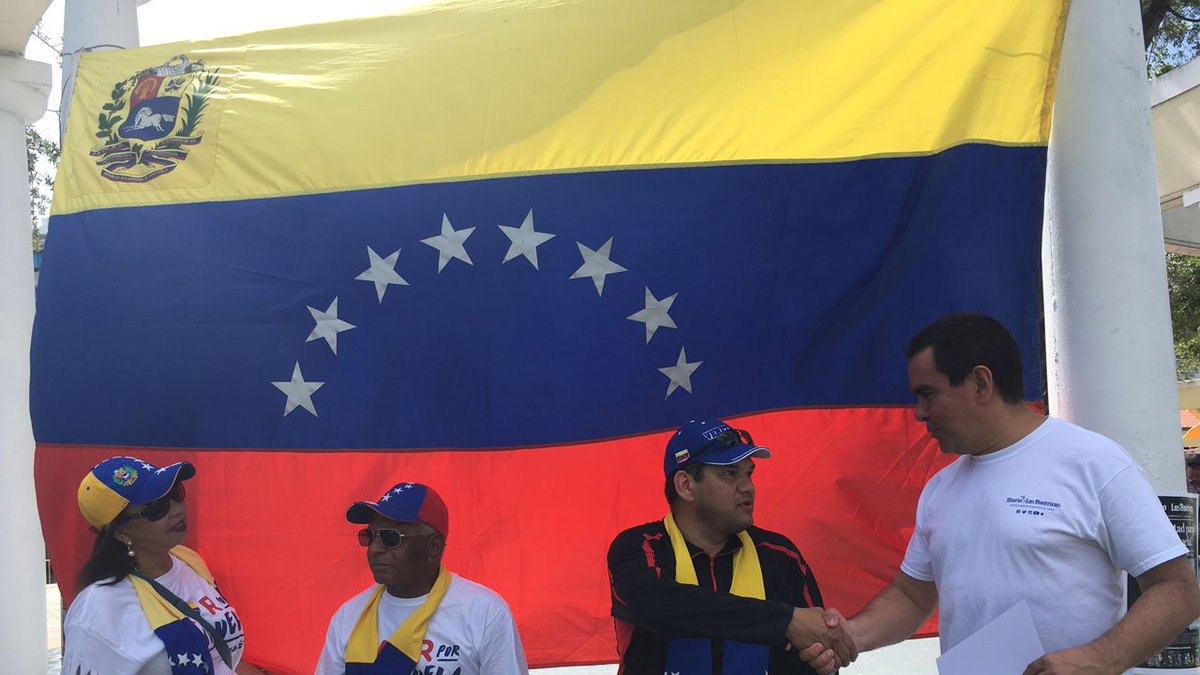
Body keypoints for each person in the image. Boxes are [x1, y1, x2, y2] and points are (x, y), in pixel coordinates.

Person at [801, 313, 1200, 675]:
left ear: (980, 382)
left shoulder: (1096, 463)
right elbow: (911, 596)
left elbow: (1177, 590)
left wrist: (1103, 658)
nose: (920, 413)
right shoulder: (941, 488)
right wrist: (849, 636)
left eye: (928, 394)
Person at [607, 418, 856, 675]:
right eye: (730, 473)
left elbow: (815, 656)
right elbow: (659, 607)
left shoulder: (781, 557)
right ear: (686, 486)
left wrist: (821, 656)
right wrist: (785, 621)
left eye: (749, 473)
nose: (747, 487)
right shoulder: (638, 548)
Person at [62, 456, 265, 675]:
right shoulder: (97, 611)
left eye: (175, 493)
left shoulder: (189, 561)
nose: (177, 509)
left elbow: (220, 661)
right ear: (121, 533)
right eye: (156, 508)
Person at [316, 482, 528, 675]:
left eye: (391, 537)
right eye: (369, 536)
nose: (374, 549)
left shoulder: (484, 612)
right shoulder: (348, 617)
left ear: (433, 547)